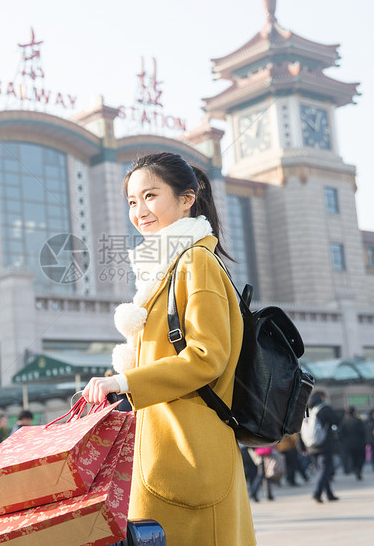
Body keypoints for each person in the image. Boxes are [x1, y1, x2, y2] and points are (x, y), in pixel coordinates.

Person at [82, 152, 255, 545]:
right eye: (131, 201)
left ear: (187, 198)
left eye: (150, 196)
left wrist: (123, 382)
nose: (139, 210)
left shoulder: (196, 262)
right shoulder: (165, 267)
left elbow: (206, 357)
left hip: (190, 448)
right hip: (163, 450)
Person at [303, 391, 340, 504]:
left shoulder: (306, 411)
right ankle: (317, 492)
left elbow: (301, 429)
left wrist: (302, 447)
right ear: (321, 398)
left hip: (310, 445)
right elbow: (337, 421)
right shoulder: (325, 409)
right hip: (324, 445)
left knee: (320, 470)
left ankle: (329, 494)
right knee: (324, 470)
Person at [339, 407, 367, 481]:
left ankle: (355, 469)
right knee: (360, 458)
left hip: (349, 445)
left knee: (353, 458)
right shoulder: (358, 421)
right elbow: (363, 432)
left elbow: (341, 434)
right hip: (359, 444)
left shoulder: (344, 422)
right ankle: (358, 470)